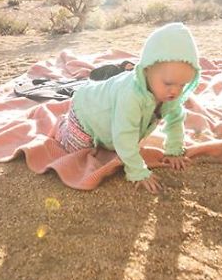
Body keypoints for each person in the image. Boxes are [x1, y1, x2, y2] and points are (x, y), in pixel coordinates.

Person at [54, 22, 200, 193]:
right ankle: (63, 125)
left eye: (182, 85)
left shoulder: (171, 94)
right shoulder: (130, 96)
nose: (175, 91)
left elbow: (175, 120)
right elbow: (124, 136)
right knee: (76, 148)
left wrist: (174, 151)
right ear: (146, 70)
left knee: (118, 140)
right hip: (86, 110)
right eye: (168, 83)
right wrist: (138, 171)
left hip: (110, 112)